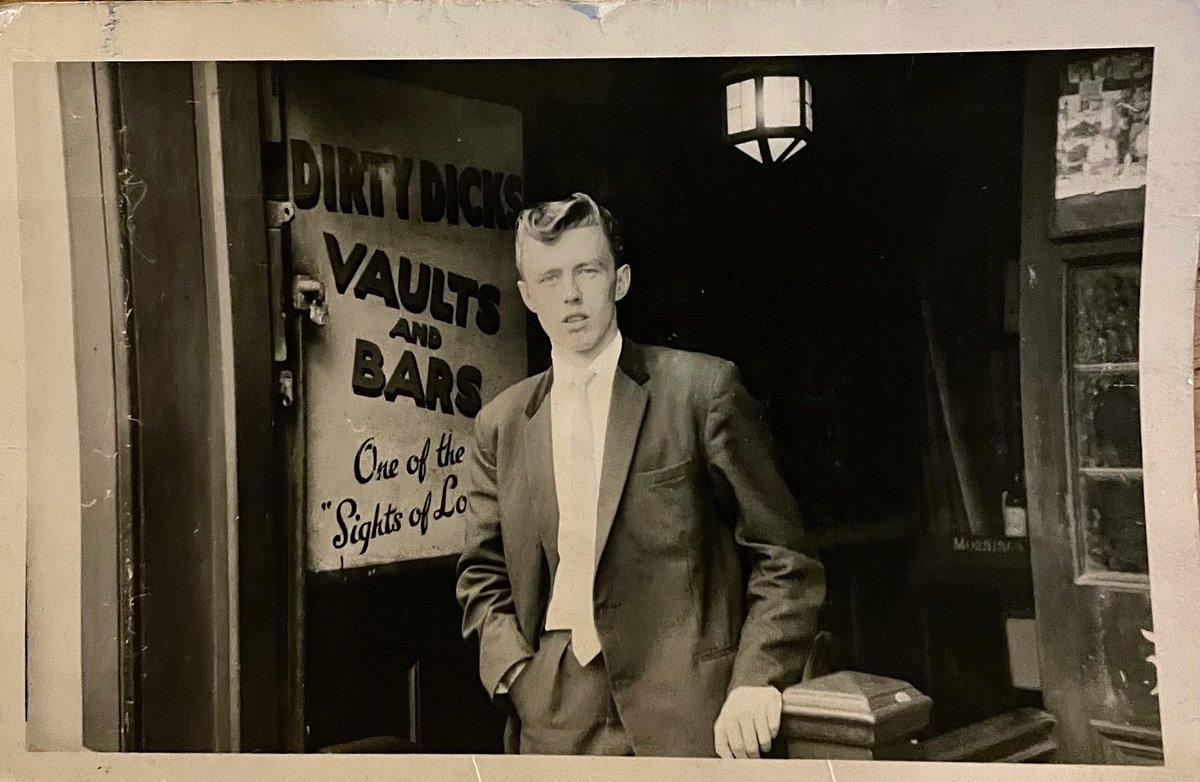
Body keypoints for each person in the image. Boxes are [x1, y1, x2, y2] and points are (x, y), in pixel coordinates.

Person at [455, 192, 825, 758]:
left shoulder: (702, 392)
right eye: (550, 278)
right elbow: (481, 574)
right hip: (553, 718)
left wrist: (756, 680)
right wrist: (515, 676)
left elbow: (786, 559)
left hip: (692, 715)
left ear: (620, 280)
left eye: (588, 270)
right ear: (528, 296)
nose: (571, 294)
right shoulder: (501, 424)